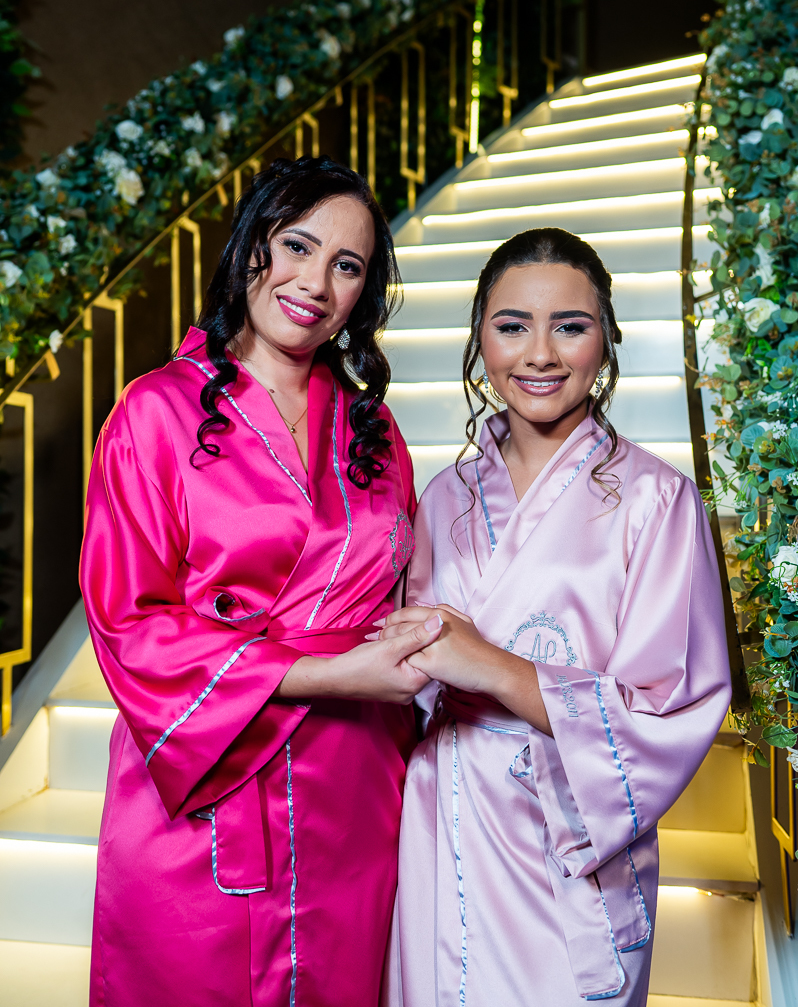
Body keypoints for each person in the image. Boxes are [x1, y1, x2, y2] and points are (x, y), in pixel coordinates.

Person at [80, 156, 443, 1007]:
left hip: (352, 790)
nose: (314, 283)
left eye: (347, 266)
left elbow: (403, 590)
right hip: (206, 780)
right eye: (296, 246)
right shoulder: (154, 412)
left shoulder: (374, 429)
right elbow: (130, 624)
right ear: (251, 245)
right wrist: (327, 673)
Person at [378, 227, 732, 1006]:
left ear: (605, 340)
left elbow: (669, 713)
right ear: (481, 340)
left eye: (569, 326)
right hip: (444, 820)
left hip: (567, 838)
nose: (539, 354)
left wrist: (492, 666)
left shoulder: (657, 501)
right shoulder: (444, 497)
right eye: (512, 326)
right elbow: (408, 678)